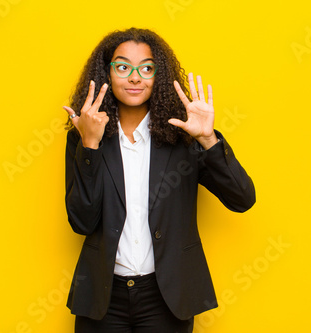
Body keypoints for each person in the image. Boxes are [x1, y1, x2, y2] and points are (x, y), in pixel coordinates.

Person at [62, 27, 255, 333]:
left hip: (166, 297)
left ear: (158, 76)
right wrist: (89, 147)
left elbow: (242, 198)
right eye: (123, 67)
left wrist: (208, 139)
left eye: (146, 68)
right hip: (102, 298)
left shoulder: (183, 135)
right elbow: (82, 222)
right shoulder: (87, 138)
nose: (135, 77)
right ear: (107, 74)